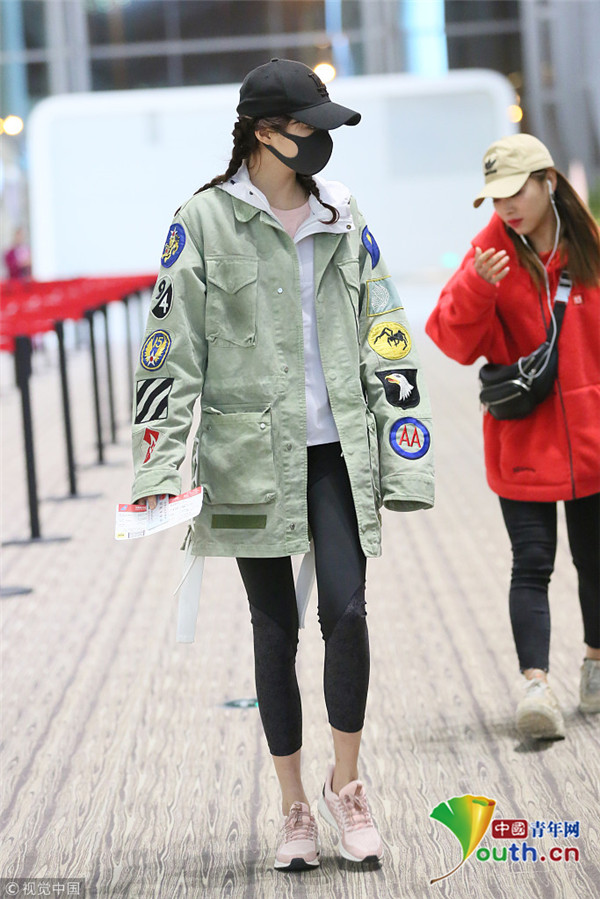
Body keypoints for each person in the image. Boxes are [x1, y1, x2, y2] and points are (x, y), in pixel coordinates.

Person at [130, 58, 434, 869]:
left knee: (348, 612)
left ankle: (347, 785)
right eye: (309, 126)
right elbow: (169, 354)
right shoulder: (202, 221)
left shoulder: (343, 214)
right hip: (247, 456)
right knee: (274, 627)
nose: (323, 140)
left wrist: (405, 458)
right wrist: (158, 472)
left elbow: (387, 334)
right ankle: (294, 804)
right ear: (264, 132)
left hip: (336, 451)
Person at [426, 133, 600, 740]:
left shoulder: (589, 248)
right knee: (531, 564)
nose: (506, 207)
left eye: (516, 192)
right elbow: (451, 341)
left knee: (595, 560)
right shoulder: (489, 254)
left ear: (548, 182)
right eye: (495, 198)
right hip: (523, 439)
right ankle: (536, 687)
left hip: (593, 438)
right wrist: (477, 286)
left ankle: (595, 664)